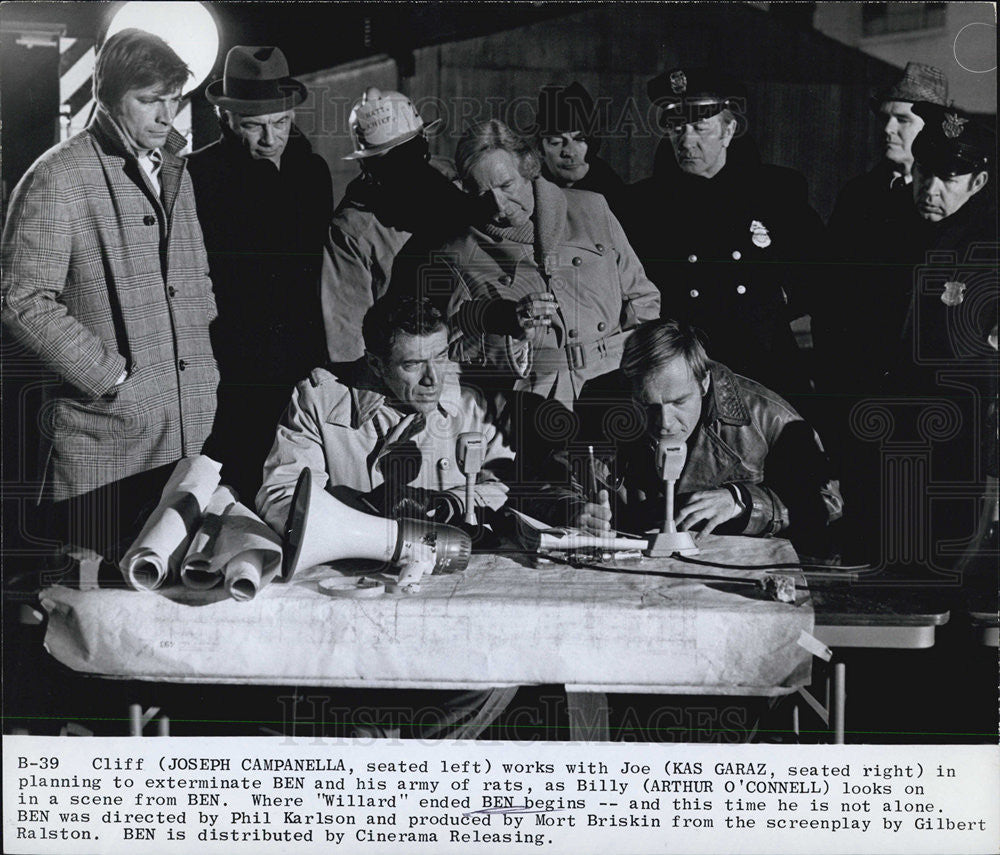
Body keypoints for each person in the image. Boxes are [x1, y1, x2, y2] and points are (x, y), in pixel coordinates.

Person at [1, 29, 218, 503]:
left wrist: (202, 366)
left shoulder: (176, 167)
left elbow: (196, 273)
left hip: (187, 429)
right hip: (106, 440)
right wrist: (111, 378)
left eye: (174, 100)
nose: (166, 116)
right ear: (108, 97)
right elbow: (19, 299)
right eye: (148, 101)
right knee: (99, 573)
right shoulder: (58, 175)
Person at [187, 45, 333, 502]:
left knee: (295, 475)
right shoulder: (197, 175)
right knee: (232, 475)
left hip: (300, 352)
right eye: (254, 126)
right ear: (225, 118)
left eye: (281, 124)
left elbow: (318, 270)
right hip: (229, 354)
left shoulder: (312, 171)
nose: (271, 138)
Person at [563, 319, 843, 556]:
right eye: (647, 406)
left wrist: (742, 502)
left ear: (704, 382)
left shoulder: (768, 416)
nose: (665, 423)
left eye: (680, 402)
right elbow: (551, 478)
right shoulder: (602, 403)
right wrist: (574, 510)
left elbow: (829, 502)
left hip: (729, 571)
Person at [627, 68, 823, 398]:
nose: (686, 140)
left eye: (700, 127)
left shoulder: (777, 192)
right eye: (677, 127)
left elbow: (816, 272)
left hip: (761, 361)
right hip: (684, 367)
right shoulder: (643, 204)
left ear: (728, 130)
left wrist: (772, 308)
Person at [257, 295, 522, 535]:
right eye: (413, 365)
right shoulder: (319, 401)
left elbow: (503, 484)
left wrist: (445, 504)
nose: (433, 379)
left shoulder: (469, 403)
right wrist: (366, 511)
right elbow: (282, 497)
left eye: (440, 357)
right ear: (375, 364)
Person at [441, 119, 660, 407]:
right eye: (483, 193)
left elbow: (642, 297)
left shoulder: (592, 208)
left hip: (617, 382)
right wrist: (512, 331)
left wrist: (639, 366)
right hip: (534, 400)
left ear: (529, 169)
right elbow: (454, 349)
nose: (499, 205)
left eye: (507, 185)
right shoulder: (458, 251)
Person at [814, 62, 950, 396]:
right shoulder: (858, 194)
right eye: (885, 118)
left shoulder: (953, 197)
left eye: (903, 120)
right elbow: (830, 289)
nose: (888, 129)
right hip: (855, 376)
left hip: (925, 380)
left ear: (934, 128)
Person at [321, 87, 477, 364]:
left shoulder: (455, 183)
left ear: (425, 143)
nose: (406, 172)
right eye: (391, 165)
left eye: (410, 154)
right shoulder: (352, 230)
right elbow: (348, 336)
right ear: (368, 169)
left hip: (469, 351)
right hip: (407, 368)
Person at [534, 81, 627, 216]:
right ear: (540, 149)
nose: (569, 152)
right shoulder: (527, 193)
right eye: (556, 142)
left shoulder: (615, 197)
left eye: (579, 139)